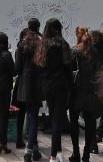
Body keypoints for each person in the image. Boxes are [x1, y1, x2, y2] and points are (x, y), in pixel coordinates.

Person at [35, 18, 74, 162]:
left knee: (53, 117)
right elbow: (69, 66)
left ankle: (58, 153)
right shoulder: (62, 44)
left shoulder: (42, 45)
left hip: (47, 86)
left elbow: (39, 66)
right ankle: (53, 156)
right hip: (61, 85)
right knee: (57, 119)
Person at [69, 26, 103, 162]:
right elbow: (99, 73)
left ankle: (75, 153)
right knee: (90, 125)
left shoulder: (74, 51)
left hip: (76, 92)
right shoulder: (95, 52)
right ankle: (86, 155)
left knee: (73, 125)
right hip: (91, 93)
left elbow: (69, 71)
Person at [16, 26, 44, 162]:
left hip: (25, 86)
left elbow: (18, 68)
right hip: (37, 85)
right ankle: (30, 152)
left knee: (31, 117)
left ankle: (32, 151)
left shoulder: (21, 47)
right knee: (33, 119)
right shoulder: (41, 46)